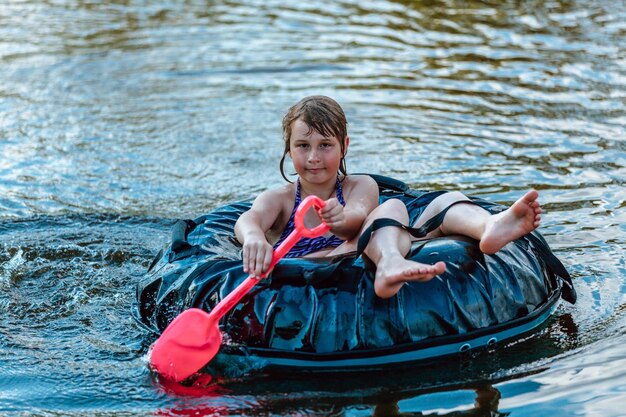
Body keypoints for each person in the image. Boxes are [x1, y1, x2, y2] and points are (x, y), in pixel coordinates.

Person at [234, 96, 542, 299]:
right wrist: (253, 239)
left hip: (369, 244)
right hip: (323, 265)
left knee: (418, 204)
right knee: (386, 217)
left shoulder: (360, 186)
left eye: (325, 145)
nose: (314, 156)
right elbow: (249, 219)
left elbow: (357, 218)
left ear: (345, 146)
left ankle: (488, 226)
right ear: (289, 150)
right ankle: (391, 264)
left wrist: (340, 219)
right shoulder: (282, 199)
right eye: (303, 145)